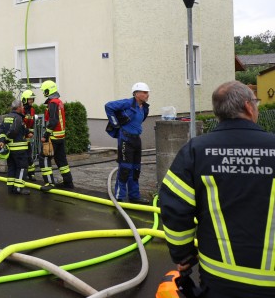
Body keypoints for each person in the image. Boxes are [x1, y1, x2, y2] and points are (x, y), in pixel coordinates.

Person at [159, 81, 275, 298]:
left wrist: (183, 256)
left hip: (218, 280)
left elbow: (174, 209)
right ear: (249, 107)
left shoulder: (195, 151)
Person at [104, 82, 150, 203]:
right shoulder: (128, 103)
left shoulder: (144, 108)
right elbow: (108, 106)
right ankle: (119, 197)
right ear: (136, 93)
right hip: (125, 139)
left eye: (147, 92)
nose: (147, 95)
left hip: (136, 139)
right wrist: (115, 123)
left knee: (135, 169)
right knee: (125, 168)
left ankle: (134, 196)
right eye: (144, 92)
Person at [39, 80, 74, 191]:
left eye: (44, 90)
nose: (43, 92)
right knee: (61, 160)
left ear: (48, 90)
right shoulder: (59, 102)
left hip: (53, 137)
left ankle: (49, 183)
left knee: (44, 158)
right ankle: (68, 182)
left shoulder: (52, 103)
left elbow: (53, 121)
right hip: (60, 137)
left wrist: (45, 135)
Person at [0, 100, 32, 195]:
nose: (23, 108)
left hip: (10, 150)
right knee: (22, 168)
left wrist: (2, 140)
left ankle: (11, 187)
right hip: (19, 149)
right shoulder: (18, 118)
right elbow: (14, 131)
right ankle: (19, 188)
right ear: (18, 108)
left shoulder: (5, 118)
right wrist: (6, 139)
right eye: (22, 106)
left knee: (12, 167)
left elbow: (1, 131)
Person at [21, 90, 37, 181]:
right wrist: (27, 132)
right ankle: (23, 174)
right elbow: (21, 124)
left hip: (28, 137)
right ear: (24, 100)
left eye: (32, 99)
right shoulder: (21, 109)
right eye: (30, 99)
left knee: (29, 155)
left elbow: (32, 123)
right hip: (21, 137)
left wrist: (31, 133)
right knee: (23, 156)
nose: (31, 101)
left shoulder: (32, 110)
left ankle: (31, 174)